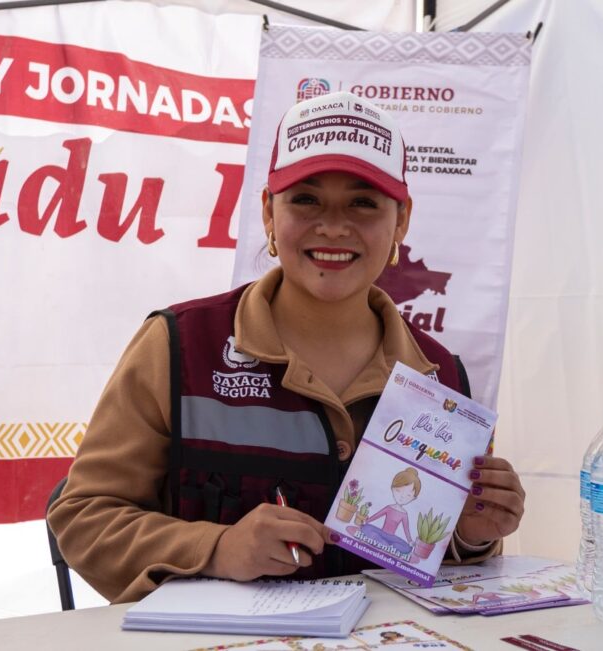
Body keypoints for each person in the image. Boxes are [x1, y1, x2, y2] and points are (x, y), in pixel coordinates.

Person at [48, 90, 526, 603]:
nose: (334, 226)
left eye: (364, 202)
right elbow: (84, 516)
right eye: (306, 199)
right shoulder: (179, 346)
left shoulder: (442, 377)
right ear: (269, 214)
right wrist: (217, 547)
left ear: (401, 221)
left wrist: (473, 536)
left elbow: (439, 560)